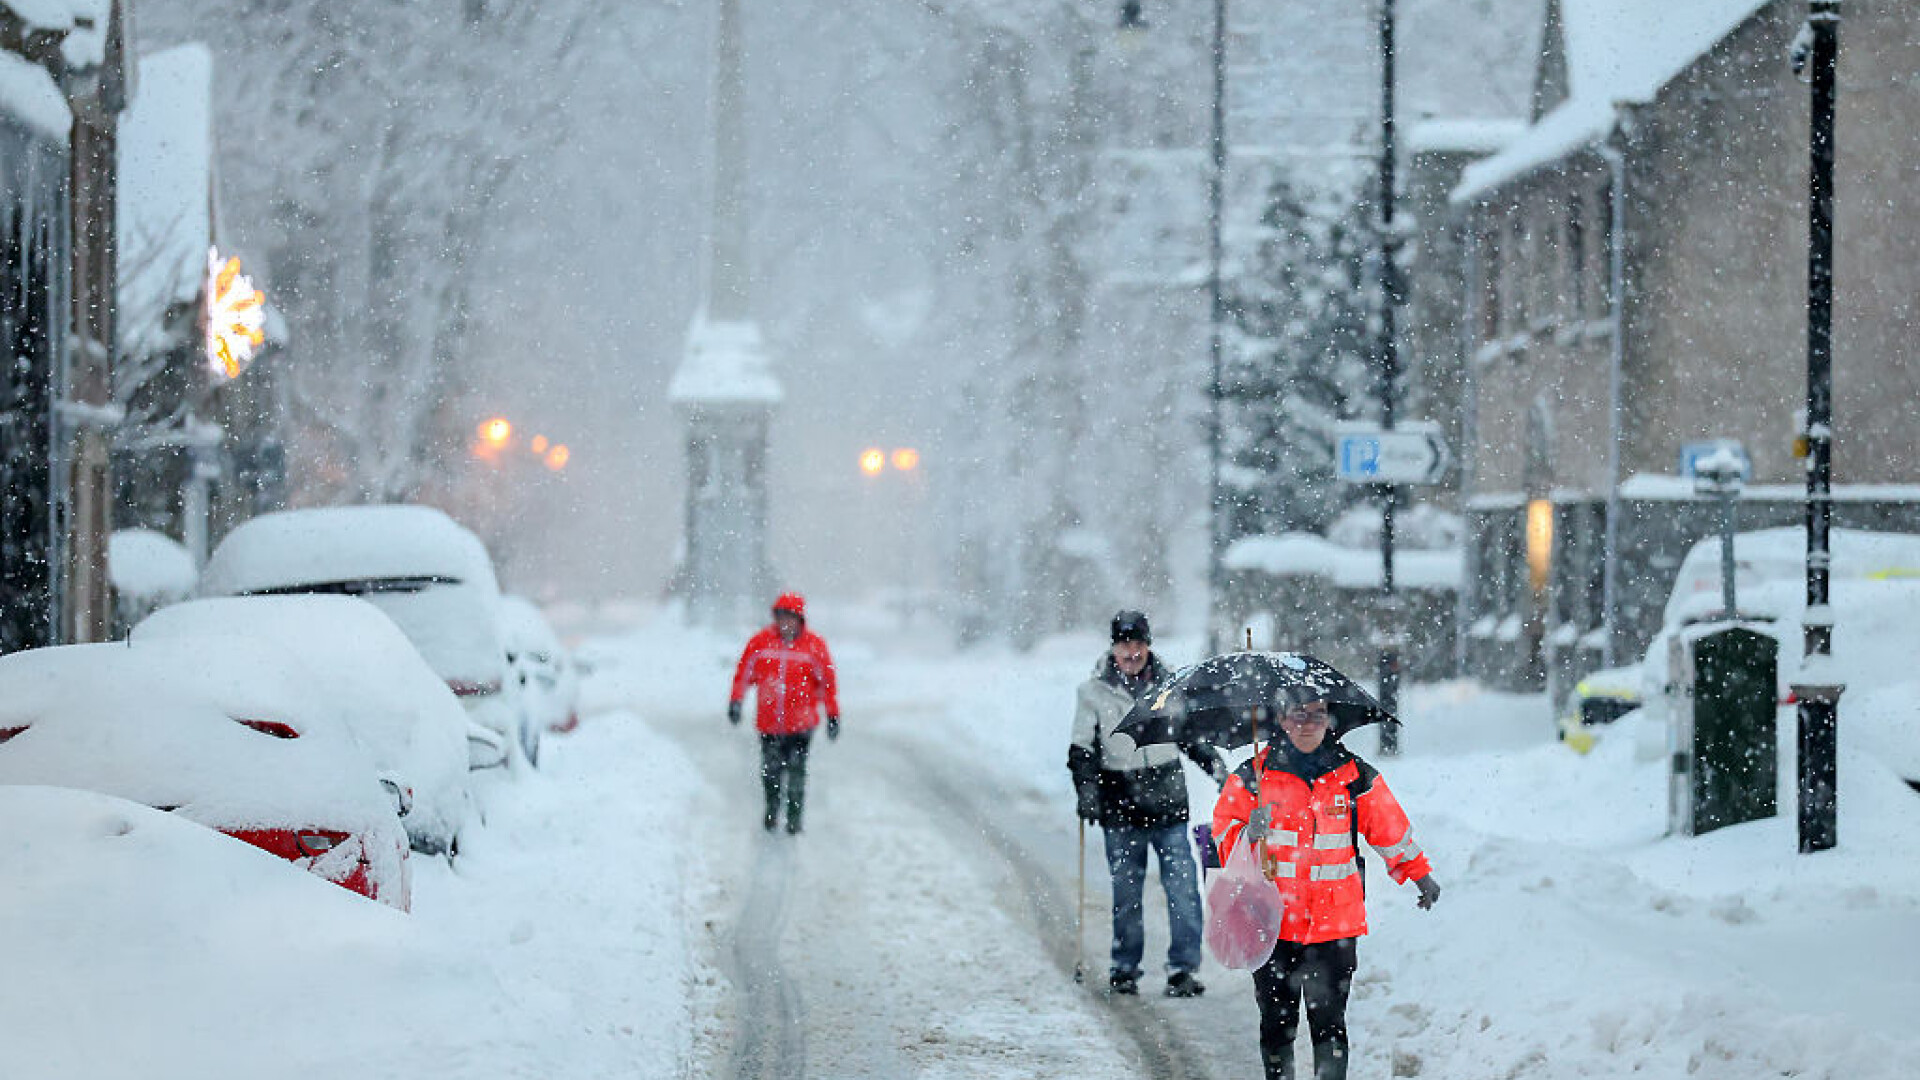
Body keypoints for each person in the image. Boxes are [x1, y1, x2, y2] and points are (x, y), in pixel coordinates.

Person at [1212, 692, 1441, 1080]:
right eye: (1298, 714)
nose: (1308, 723)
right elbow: (1222, 835)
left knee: (1330, 1027)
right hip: (1271, 924)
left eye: (1318, 714)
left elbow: (1388, 830)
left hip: (1334, 927)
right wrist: (1247, 833)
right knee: (1276, 1027)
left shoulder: (1354, 775)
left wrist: (1418, 872)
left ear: (1329, 721)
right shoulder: (1253, 775)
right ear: (1282, 719)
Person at [1067, 610, 1214, 998]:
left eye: (1137, 643)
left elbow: (1190, 736)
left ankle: (1183, 968)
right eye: (1123, 644)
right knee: (1126, 894)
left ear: (1148, 645)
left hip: (1169, 803)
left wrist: (1217, 768)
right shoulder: (1093, 692)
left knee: (1182, 889)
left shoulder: (1170, 687)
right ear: (1113, 647)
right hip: (1122, 805)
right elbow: (1082, 750)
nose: (1131, 651)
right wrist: (1087, 793)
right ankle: (1124, 967)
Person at [728, 592, 840, 835]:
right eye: (781, 617)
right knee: (770, 772)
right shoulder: (760, 643)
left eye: (790, 618)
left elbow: (828, 684)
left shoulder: (814, 646)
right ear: (775, 618)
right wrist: (736, 701)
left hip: (801, 725)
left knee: (797, 773)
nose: (785, 623)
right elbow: (744, 674)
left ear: (800, 619)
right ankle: (772, 808)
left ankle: (794, 817)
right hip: (769, 724)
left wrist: (833, 715)